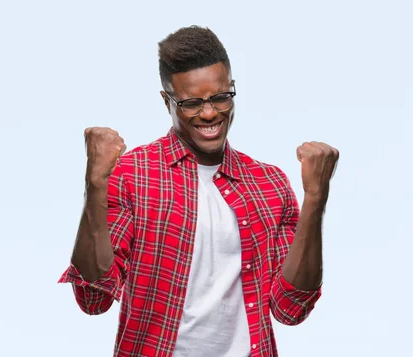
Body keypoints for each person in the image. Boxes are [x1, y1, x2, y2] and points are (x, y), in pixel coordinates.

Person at [58, 25, 339, 357]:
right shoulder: (133, 174)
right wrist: (95, 184)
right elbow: (93, 299)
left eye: (221, 97)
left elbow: (290, 309)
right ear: (167, 102)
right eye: (192, 103)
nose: (210, 113)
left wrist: (315, 199)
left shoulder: (269, 184)